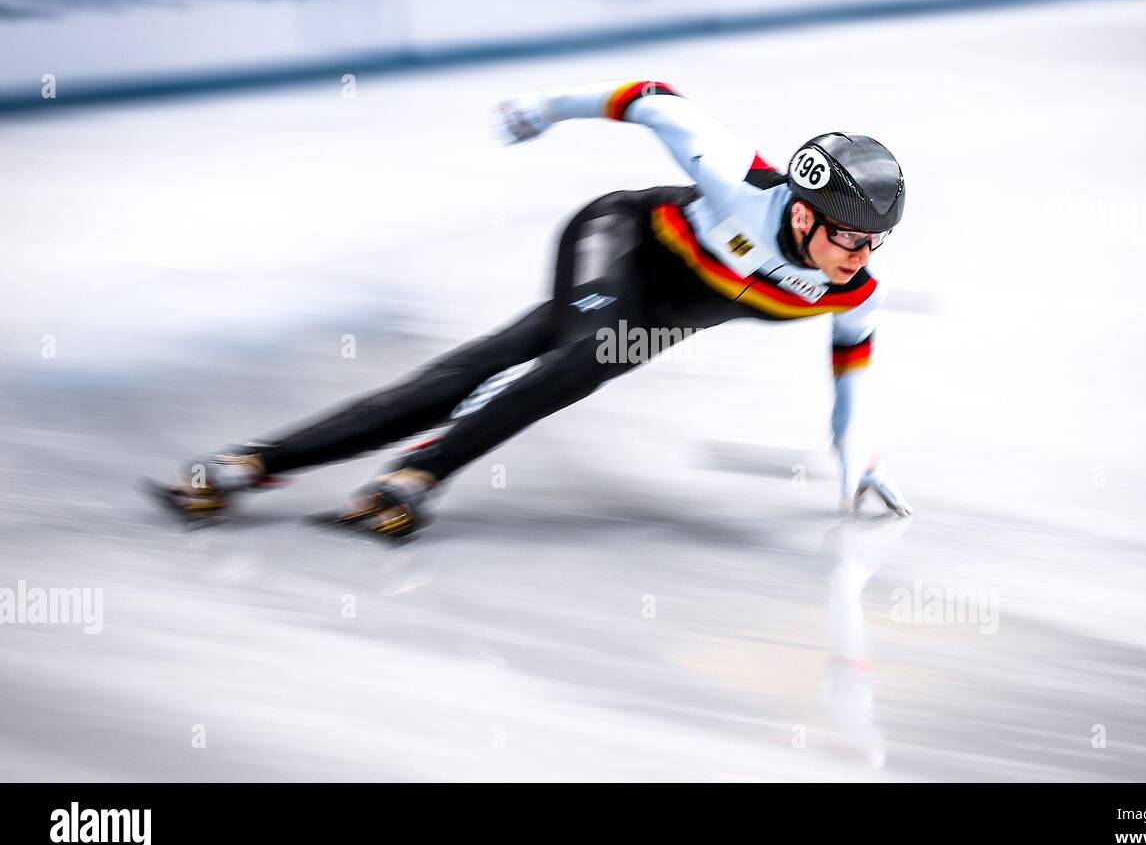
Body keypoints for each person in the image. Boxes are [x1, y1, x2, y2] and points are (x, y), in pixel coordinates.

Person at [156, 79, 913, 538]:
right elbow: (654, 100)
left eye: (876, 241)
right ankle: (419, 476)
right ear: (804, 213)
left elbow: (851, 374)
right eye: (849, 235)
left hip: (655, 315)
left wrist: (855, 456)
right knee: (587, 357)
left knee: (467, 373)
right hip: (619, 239)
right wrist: (544, 110)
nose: (859, 255)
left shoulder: (852, 288)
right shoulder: (741, 184)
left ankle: (252, 463)